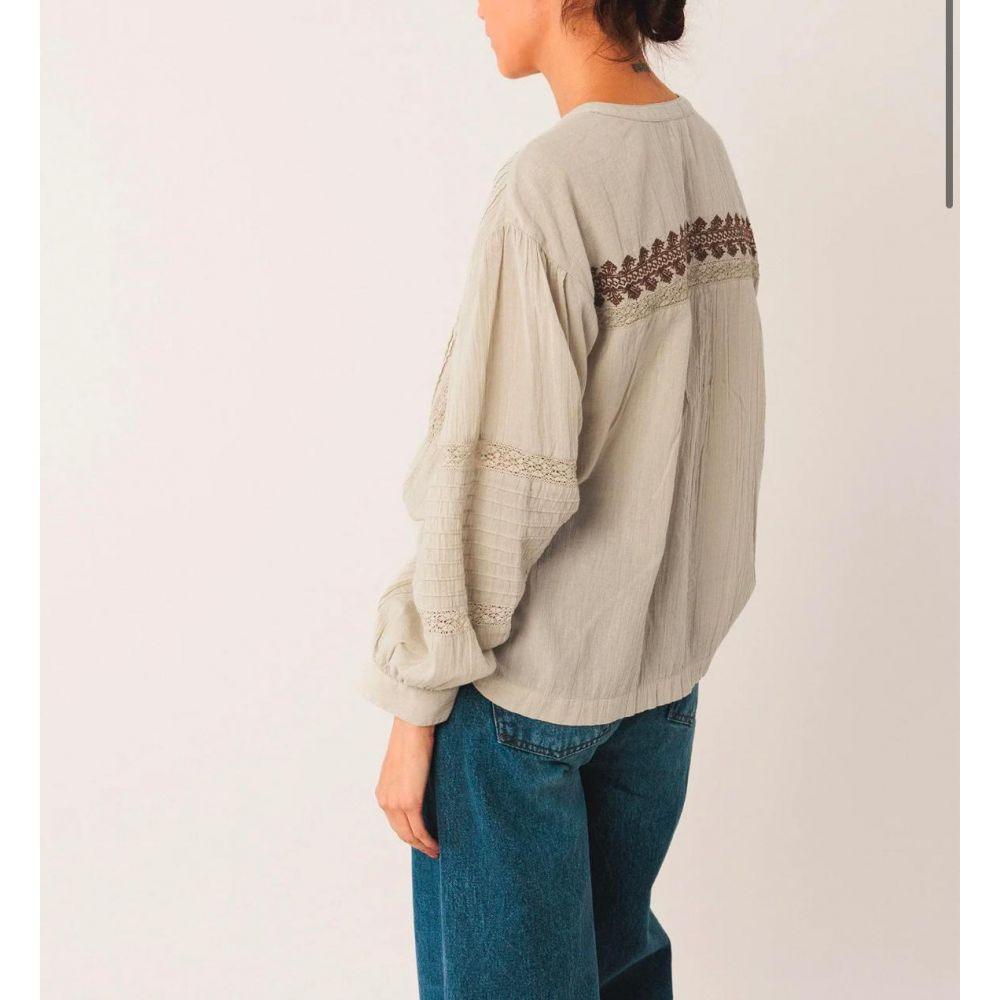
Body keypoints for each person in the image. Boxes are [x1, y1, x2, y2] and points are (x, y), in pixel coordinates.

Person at [360, 2, 764, 996]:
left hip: (523, 704)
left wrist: (416, 702)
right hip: (657, 691)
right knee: (615, 971)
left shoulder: (548, 184)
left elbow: (500, 473)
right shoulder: (702, 151)